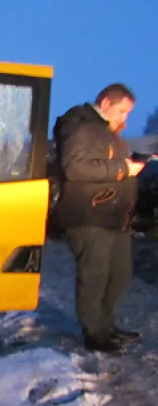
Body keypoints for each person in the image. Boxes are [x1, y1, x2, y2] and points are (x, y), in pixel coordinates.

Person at [51, 83, 145, 354]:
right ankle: (95, 334)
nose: (124, 118)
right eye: (122, 111)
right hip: (89, 215)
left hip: (114, 217)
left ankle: (107, 325)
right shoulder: (82, 127)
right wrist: (122, 168)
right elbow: (76, 167)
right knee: (95, 277)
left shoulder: (107, 132)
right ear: (105, 103)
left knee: (119, 275)